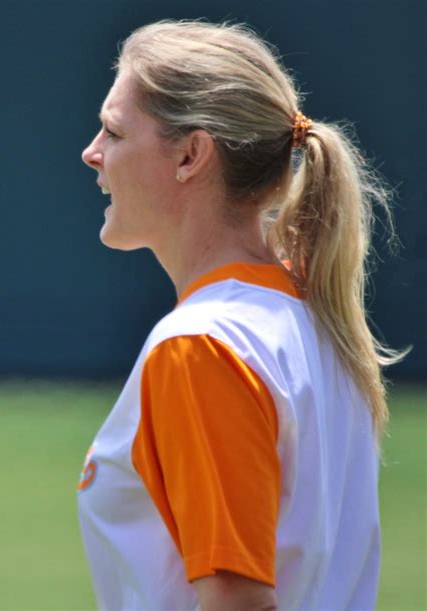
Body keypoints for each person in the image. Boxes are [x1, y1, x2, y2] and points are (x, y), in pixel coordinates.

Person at [78, 19, 403, 611]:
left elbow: (238, 600)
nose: (92, 152)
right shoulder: (314, 325)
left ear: (190, 155)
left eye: (114, 131)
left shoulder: (204, 344)